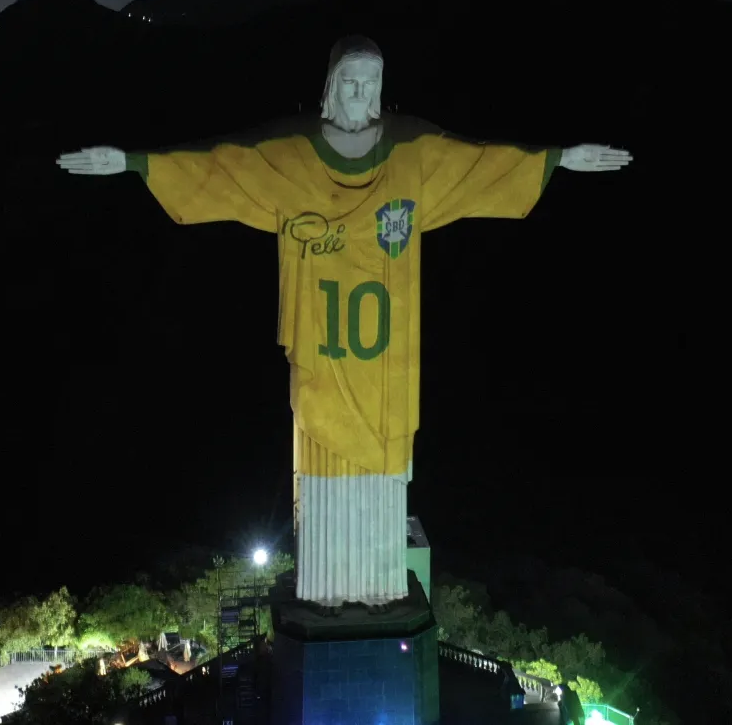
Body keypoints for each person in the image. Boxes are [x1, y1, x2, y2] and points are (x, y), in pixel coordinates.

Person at [58, 35, 631, 605]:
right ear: (331, 90)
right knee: (318, 464)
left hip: (384, 365)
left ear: (381, 91)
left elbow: (480, 165)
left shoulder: (412, 158)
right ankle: (327, 590)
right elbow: (223, 172)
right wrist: (134, 164)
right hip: (324, 349)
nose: (360, 94)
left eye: (370, 84)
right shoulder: (293, 159)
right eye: (349, 83)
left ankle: (379, 591)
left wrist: (559, 158)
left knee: (383, 476)